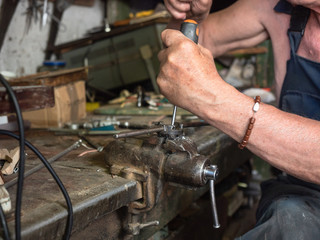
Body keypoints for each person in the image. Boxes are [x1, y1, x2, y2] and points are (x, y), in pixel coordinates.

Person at [157, 0, 320, 239]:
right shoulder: (277, 7)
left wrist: (214, 99)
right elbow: (194, 45)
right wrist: (193, 17)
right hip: (299, 198)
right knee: (290, 222)